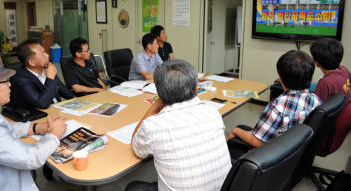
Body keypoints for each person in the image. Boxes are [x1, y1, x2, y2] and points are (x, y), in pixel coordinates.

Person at [0, 51, 67, 191]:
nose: (9, 85)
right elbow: (31, 158)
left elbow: (2, 128)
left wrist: (35, 127)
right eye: (4, 82)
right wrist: (55, 134)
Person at [127, 59, 231, 191]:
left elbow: (137, 149)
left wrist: (156, 105)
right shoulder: (213, 112)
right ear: (196, 89)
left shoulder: (153, 126)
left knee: (133, 187)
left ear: (159, 93)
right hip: (224, 188)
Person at [226, 50, 322, 159]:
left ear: (280, 79)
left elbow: (257, 142)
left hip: (271, 158)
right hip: (295, 152)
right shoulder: (316, 100)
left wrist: (234, 131)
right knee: (243, 128)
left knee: (233, 137)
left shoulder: (277, 106)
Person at [310, 38, 351, 153]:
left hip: (323, 133)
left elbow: (315, 114)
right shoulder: (344, 70)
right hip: (335, 125)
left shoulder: (325, 82)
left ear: (317, 62)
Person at [10, 39, 74, 110]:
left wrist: (77, 100)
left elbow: (63, 90)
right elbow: (42, 104)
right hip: (36, 116)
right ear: (32, 62)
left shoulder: (45, 69)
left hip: (55, 110)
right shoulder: (21, 80)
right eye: (43, 53)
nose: (47, 55)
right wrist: (50, 78)